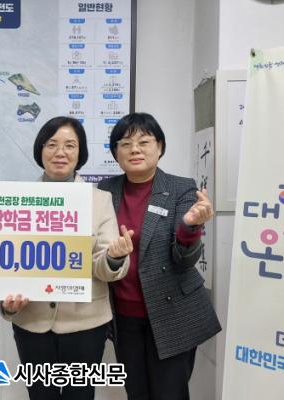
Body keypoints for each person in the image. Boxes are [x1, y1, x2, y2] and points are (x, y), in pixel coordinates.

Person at [1, 116, 133, 400]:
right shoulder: (17, 198)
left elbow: (103, 266)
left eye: (70, 145)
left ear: (80, 152)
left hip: (85, 324)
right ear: (40, 150)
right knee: (40, 396)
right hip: (32, 321)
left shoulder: (99, 200)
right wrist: (6, 303)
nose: (60, 152)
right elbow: (4, 260)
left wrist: (113, 257)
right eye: (52, 144)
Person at [97, 112, 222, 400]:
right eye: (125, 144)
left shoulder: (181, 187)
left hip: (172, 312)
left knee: (170, 394)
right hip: (124, 316)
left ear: (160, 147)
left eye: (144, 142)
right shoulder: (106, 190)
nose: (135, 149)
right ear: (115, 152)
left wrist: (189, 227)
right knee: (136, 392)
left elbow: (184, 259)